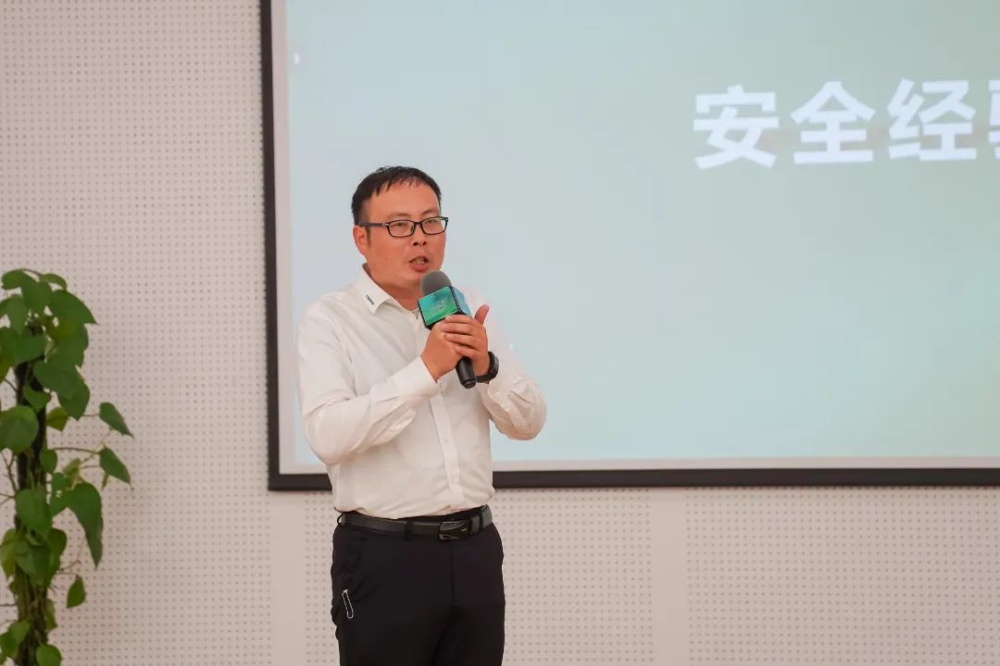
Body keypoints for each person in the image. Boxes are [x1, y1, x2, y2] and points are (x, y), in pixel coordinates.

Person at [296, 165, 547, 665]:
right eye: (400, 225)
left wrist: (487, 366)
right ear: (361, 239)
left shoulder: (466, 308)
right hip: (385, 557)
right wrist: (426, 370)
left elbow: (528, 423)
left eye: (432, 222)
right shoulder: (331, 319)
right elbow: (328, 434)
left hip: (475, 552)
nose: (420, 238)